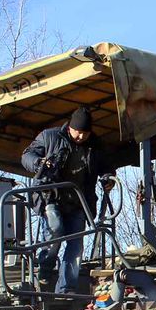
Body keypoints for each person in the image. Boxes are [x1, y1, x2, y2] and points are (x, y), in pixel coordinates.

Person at [21, 107, 111, 293]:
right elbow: (27, 155)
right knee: (55, 231)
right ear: (70, 127)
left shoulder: (95, 146)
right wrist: (39, 162)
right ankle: (45, 268)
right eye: (78, 132)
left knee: (76, 246)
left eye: (85, 133)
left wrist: (109, 177)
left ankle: (66, 288)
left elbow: (106, 165)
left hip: (79, 202)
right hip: (51, 196)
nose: (81, 137)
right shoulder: (49, 136)